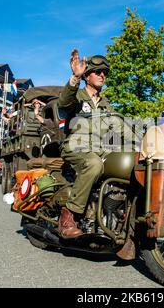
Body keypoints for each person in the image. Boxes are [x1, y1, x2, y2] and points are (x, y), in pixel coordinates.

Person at [57, 49, 114, 238]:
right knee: (94, 164)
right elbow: (64, 103)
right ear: (87, 76)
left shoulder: (107, 104)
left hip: (100, 149)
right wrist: (74, 77)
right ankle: (68, 215)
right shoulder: (78, 96)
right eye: (98, 72)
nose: (102, 75)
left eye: (104, 72)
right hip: (76, 146)